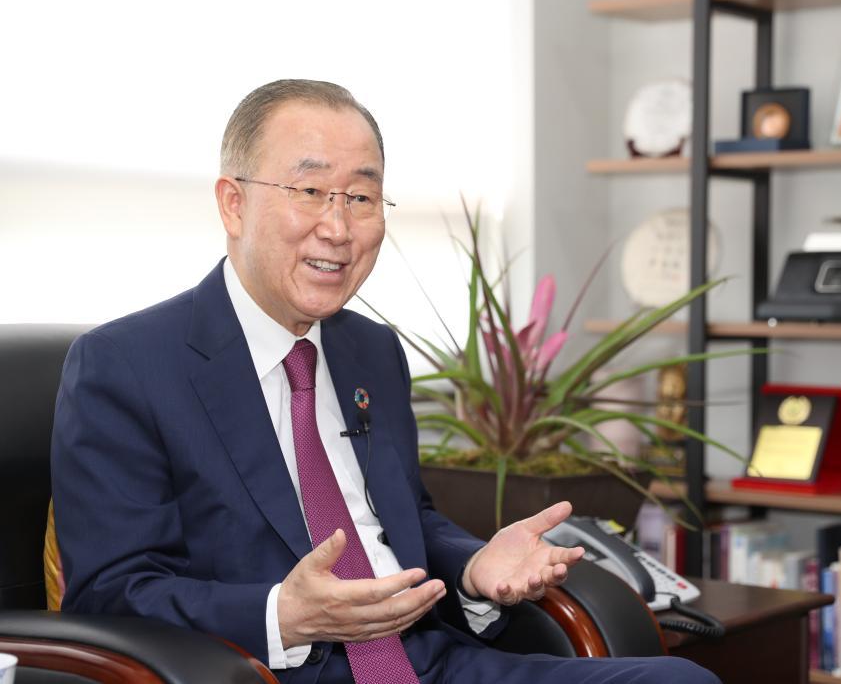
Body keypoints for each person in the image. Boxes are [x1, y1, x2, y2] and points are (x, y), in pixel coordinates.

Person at [51, 79, 720, 684]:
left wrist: (473, 566)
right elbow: (111, 593)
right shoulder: (125, 364)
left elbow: (407, 520)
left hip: (431, 662)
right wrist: (283, 614)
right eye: (309, 191)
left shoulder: (370, 349)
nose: (338, 227)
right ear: (233, 204)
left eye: (362, 197)